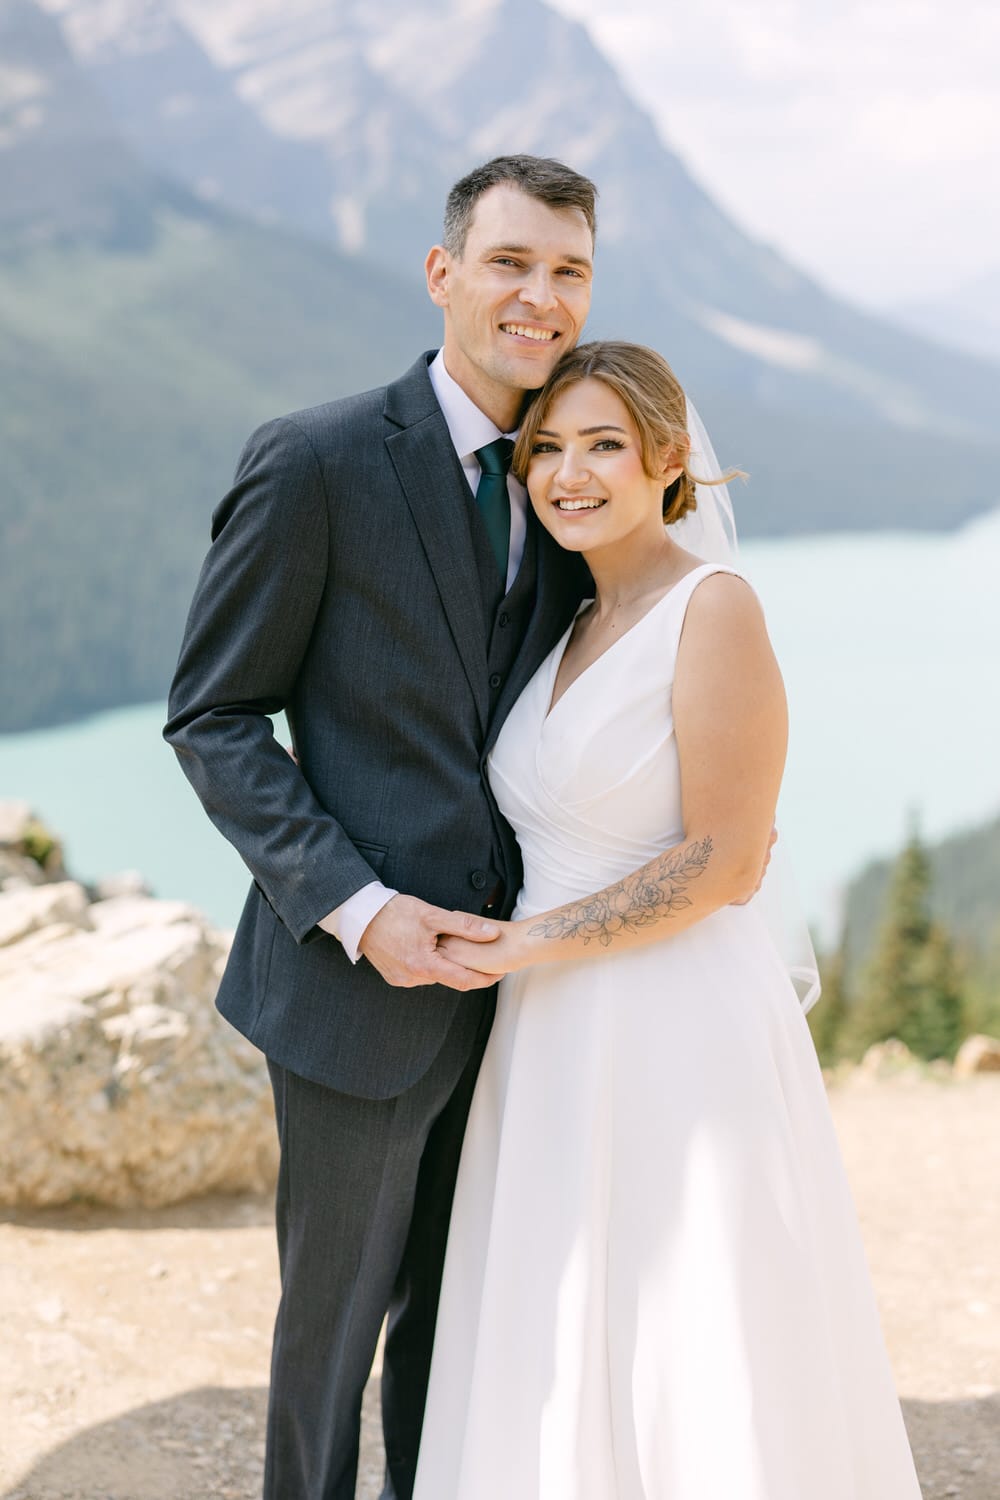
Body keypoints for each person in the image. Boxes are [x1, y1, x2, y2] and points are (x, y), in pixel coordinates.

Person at [411, 341, 923, 1499]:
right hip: (544, 1030)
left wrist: (529, 945)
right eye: (545, 447)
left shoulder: (713, 605)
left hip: (672, 1024)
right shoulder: (570, 616)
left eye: (602, 444)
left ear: (668, 459)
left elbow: (726, 858)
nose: (567, 473)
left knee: (688, 1320)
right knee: (559, 1313)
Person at [164, 155, 599, 1500]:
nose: (541, 298)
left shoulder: (576, 474)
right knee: (334, 1333)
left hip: (522, 995)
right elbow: (215, 717)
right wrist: (361, 909)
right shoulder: (318, 460)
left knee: (460, 1326)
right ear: (444, 273)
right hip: (360, 992)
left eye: (570, 271)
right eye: (513, 263)